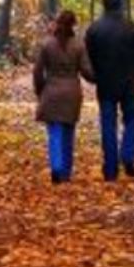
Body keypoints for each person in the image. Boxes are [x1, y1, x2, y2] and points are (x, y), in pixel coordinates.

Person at [84, 0, 134, 180]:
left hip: (105, 84)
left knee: (108, 124)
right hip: (129, 83)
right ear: (120, 5)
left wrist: (94, 77)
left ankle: (111, 168)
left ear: (104, 6)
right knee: (132, 120)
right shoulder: (132, 28)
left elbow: (86, 57)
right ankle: (128, 154)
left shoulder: (94, 29)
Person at [32, 9, 91, 184]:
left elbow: (37, 72)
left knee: (55, 134)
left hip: (52, 92)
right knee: (68, 134)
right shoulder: (79, 45)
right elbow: (87, 71)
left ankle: (56, 167)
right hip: (72, 93)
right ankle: (66, 172)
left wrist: (41, 91)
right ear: (73, 24)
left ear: (57, 23)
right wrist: (100, 77)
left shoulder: (47, 44)